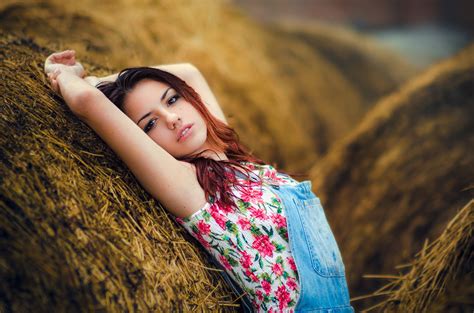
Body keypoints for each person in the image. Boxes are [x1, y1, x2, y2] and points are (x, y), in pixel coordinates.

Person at [44, 50, 355, 313]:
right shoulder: (187, 185)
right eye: (150, 123)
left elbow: (188, 72)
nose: (172, 118)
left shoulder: (230, 155)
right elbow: (86, 102)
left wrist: (108, 82)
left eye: (173, 99)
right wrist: (65, 73)